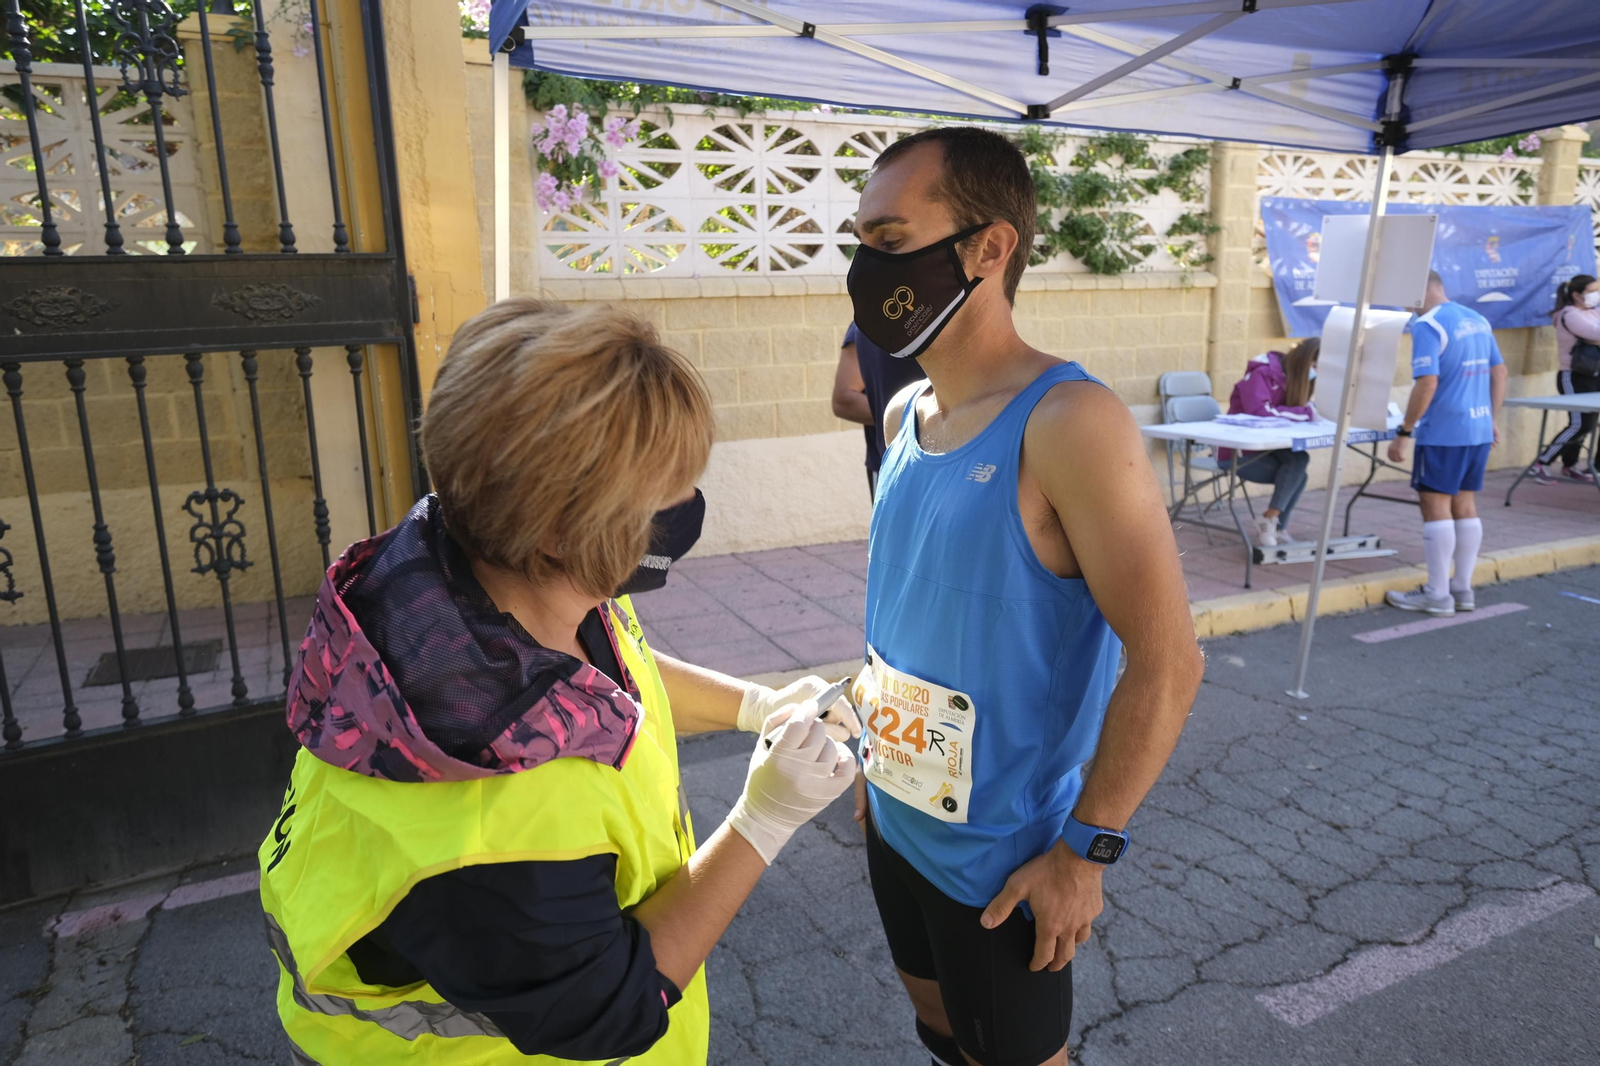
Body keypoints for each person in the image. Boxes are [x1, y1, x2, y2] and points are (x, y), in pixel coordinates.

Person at [257, 299, 861, 1066]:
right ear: (563, 530)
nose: (686, 507)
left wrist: (757, 704)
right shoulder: (484, 829)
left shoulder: (482, 572)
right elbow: (614, 1007)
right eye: (666, 494)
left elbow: (620, 671)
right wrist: (763, 822)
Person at [844, 127, 1205, 1066]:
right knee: (941, 1039)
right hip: (895, 819)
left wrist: (1089, 852)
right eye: (862, 244)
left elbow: (1168, 662)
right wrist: (877, 753)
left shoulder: (1072, 423)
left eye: (888, 241)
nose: (862, 269)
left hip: (1001, 863)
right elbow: (912, 607)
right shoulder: (904, 412)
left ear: (989, 248)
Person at [1386, 271, 1508, 616]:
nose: (1405, 307)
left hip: (1444, 431)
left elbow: (1427, 384)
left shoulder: (1428, 325)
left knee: (1435, 505)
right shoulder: (1477, 319)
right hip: (1478, 427)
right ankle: (1462, 589)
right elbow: (1500, 373)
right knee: (1464, 504)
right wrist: (1491, 418)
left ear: (1417, 291)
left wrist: (1405, 432)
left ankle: (1437, 594)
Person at [1217, 337, 1321, 546]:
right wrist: (1306, 412)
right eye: (1315, 367)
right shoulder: (1262, 373)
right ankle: (1272, 522)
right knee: (1296, 473)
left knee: (1298, 464)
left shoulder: (1290, 379)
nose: (1315, 372)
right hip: (1237, 452)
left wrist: (1306, 411)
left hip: (1268, 449)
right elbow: (1260, 411)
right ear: (1305, 362)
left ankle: (1271, 520)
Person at [833, 322, 927, 499]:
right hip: (890, 464)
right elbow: (843, 399)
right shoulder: (865, 323)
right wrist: (904, 417)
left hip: (945, 460)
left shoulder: (942, 311)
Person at [1531, 273, 1600, 483]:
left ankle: (1571, 465)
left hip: (1593, 373)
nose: (1597, 295)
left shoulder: (1592, 312)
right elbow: (1595, 334)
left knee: (1589, 422)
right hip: (1573, 375)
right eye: (1593, 291)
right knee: (1579, 423)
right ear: (1578, 295)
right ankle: (1541, 463)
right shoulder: (1568, 314)